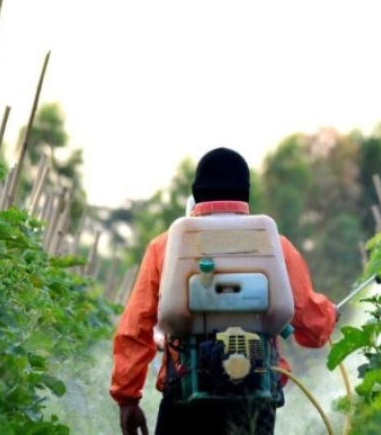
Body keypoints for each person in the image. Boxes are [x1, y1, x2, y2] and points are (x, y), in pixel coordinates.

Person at [110, 147, 337, 435]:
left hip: (184, 393)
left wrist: (127, 398)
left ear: (197, 191)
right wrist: (329, 314)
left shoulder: (166, 246)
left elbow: (135, 329)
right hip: (254, 395)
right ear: (245, 192)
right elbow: (312, 328)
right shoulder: (275, 245)